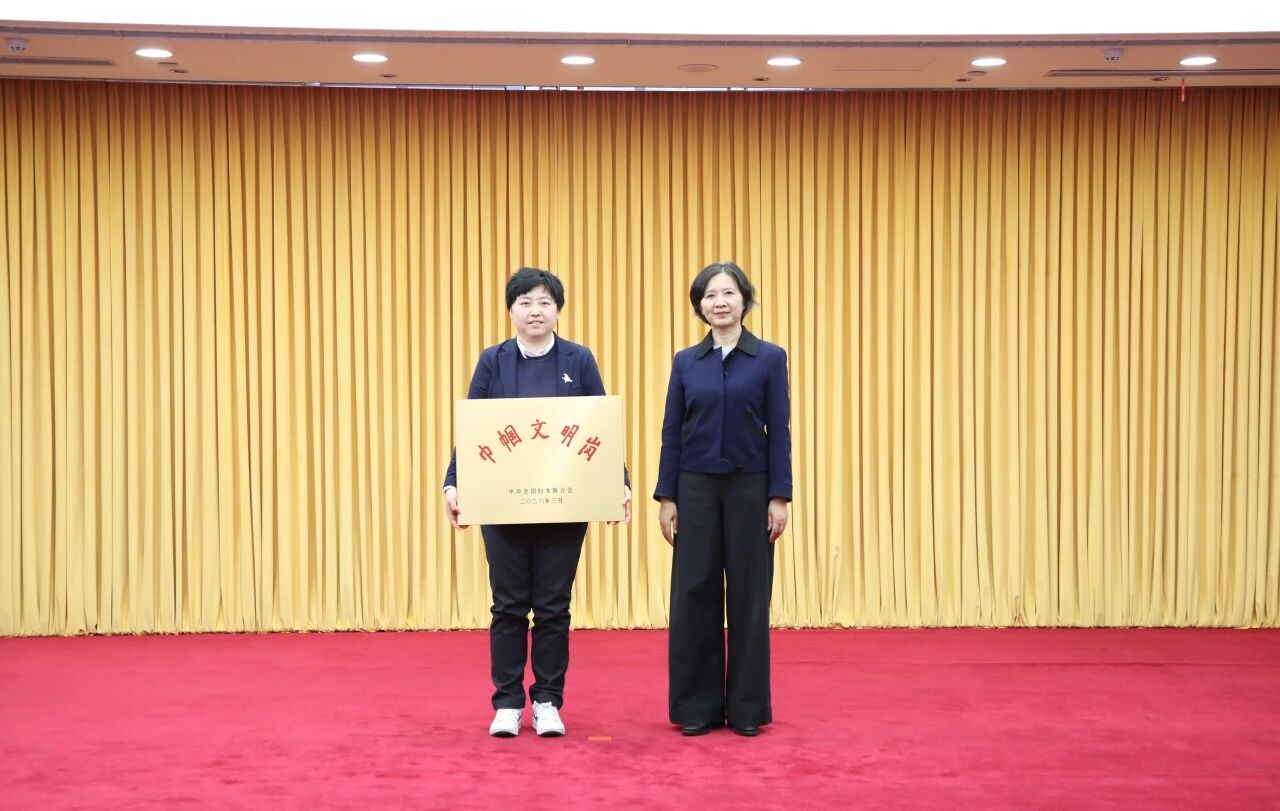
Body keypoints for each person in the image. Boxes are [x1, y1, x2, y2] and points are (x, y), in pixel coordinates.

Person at [443, 267, 630, 738]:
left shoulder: (578, 359)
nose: (535, 311)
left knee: (552, 607)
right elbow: (474, 429)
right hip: (503, 504)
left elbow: (599, 428)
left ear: (558, 310)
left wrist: (619, 483)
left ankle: (547, 700)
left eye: (545, 302)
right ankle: (507, 703)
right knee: (507, 606)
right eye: (525, 302)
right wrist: (453, 483)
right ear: (511, 310)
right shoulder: (493, 361)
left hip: (563, 504)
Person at [654, 261, 792, 737]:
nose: (720, 302)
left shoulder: (769, 358)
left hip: (751, 489)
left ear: (744, 300)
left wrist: (779, 495)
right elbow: (672, 432)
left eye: (729, 293)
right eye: (710, 295)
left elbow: (780, 431)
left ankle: (748, 710)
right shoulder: (685, 362)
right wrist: (667, 496)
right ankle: (699, 708)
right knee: (694, 594)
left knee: (750, 598)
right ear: (700, 306)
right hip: (694, 490)